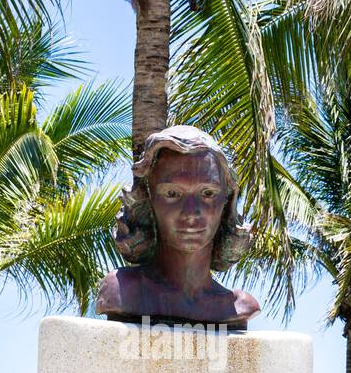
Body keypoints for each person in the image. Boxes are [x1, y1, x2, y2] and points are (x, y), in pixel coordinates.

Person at [95, 125, 260, 327]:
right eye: (172, 194)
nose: (191, 213)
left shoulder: (238, 306)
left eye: (207, 193)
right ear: (148, 199)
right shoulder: (122, 290)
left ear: (226, 201)